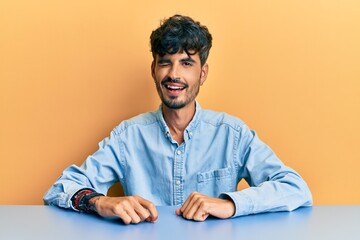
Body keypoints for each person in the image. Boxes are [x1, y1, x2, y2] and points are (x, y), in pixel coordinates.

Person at [43, 14, 312, 224]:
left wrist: (231, 204)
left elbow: (296, 188)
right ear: (153, 70)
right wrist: (100, 202)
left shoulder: (232, 134)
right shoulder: (127, 137)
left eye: (186, 63)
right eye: (165, 62)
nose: (174, 74)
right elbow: (59, 190)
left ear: (202, 74)